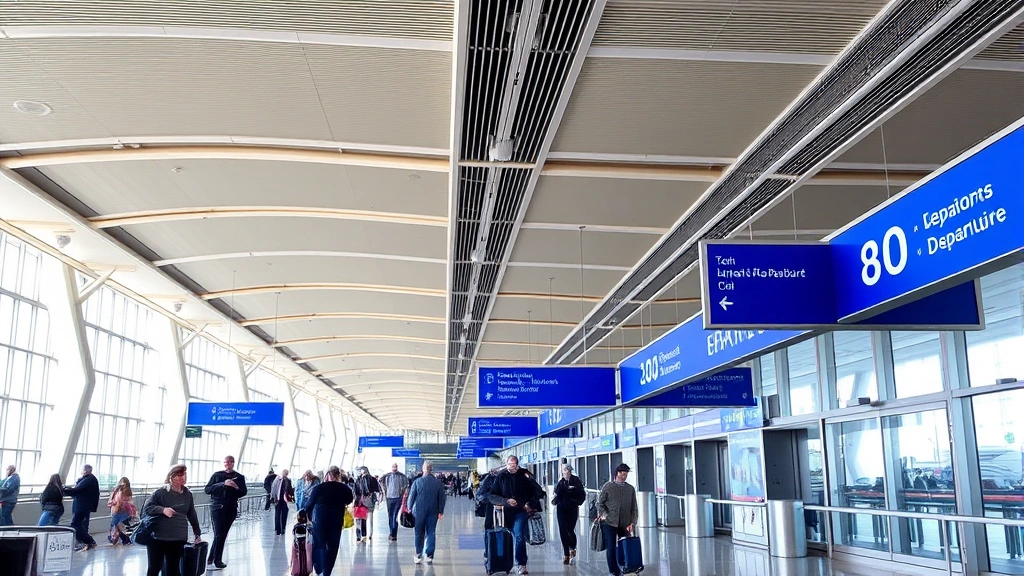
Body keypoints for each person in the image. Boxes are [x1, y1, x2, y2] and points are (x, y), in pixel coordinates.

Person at [487, 456, 544, 575]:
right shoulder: (501, 477)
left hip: (521, 512)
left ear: (517, 465)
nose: (511, 466)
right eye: (509, 464)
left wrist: (530, 504)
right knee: (505, 537)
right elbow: (492, 496)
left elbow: (538, 492)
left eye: (513, 464)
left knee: (519, 535)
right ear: (506, 464)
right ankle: (503, 562)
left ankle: (521, 564)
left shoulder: (525, 476)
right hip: (505, 513)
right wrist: (505, 501)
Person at [142, 464, 202, 576]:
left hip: (177, 538)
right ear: (171, 477)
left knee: (173, 569)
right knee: (154, 568)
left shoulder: (187, 494)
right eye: (179, 475)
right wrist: (163, 509)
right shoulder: (161, 493)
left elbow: (192, 514)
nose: (183, 477)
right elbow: (147, 508)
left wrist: (197, 533)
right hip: (158, 538)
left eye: (184, 474)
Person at [303, 466, 354, 576]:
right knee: (333, 546)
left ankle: (319, 569)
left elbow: (309, 504)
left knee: (319, 544)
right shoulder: (344, 488)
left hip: (320, 520)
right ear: (338, 475)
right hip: (336, 520)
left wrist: (308, 516)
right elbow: (349, 500)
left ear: (327, 475)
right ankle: (327, 572)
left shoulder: (319, 488)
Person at [204, 455, 247, 570]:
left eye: (230, 462)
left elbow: (243, 492)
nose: (227, 464)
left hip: (231, 508)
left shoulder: (239, 477)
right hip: (217, 507)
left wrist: (235, 487)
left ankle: (211, 557)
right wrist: (223, 484)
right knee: (219, 533)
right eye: (225, 462)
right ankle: (217, 559)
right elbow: (207, 489)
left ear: (233, 463)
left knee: (222, 534)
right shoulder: (217, 475)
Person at [597, 463, 639, 576]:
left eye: (626, 474)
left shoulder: (630, 489)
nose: (625, 476)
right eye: (623, 474)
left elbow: (634, 507)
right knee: (611, 548)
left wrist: (633, 522)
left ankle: (626, 566)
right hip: (609, 522)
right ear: (617, 473)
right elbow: (600, 504)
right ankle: (613, 571)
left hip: (625, 523)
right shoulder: (608, 487)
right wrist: (604, 514)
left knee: (625, 546)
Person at [407, 461, 446, 565]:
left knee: (419, 533)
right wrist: (441, 510)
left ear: (423, 469)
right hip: (433, 511)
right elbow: (442, 498)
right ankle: (429, 555)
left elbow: (412, 496)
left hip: (418, 511)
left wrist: (409, 508)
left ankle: (418, 555)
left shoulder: (417, 482)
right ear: (431, 469)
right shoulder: (438, 483)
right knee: (431, 532)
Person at [553, 464, 586, 564]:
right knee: (563, 530)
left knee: (569, 530)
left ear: (569, 471)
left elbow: (581, 494)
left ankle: (573, 547)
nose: (565, 472)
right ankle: (566, 554)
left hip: (572, 508)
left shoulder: (576, 480)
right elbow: (556, 492)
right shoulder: (561, 481)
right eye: (564, 470)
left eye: (566, 470)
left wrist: (576, 501)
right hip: (561, 508)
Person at [64, 464, 100, 551]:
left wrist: (64, 490)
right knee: (79, 524)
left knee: (75, 524)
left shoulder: (89, 479)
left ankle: (88, 541)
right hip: (82, 506)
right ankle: (85, 542)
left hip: (82, 506)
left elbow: (77, 490)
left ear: (85, 470)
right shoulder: (88, 480)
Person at [380, 463, 409, 541]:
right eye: (393, 467)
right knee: (390, 515)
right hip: (389, 498)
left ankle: (393, 533)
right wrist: (384, 490)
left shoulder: (401, 476)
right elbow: (380, 480)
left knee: (395, 516)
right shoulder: (387, 476)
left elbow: (406, 484)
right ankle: (392, 532)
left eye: (395, 467)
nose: (394, 468)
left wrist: (402, 493)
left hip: (398, 498)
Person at [353, 466, 381, 542]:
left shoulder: (359, 480)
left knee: (361, 519)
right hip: (367, 501)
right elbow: (377, 490)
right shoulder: (370, 479)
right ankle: (366, 535)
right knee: (365, 519)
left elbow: (355, 492)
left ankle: (362, 536)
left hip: (362, 501)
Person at [107, 477, 136, 545]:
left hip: (118, 510)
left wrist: (114, 506)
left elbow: (118, 500)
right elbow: (129, 501)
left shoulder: (119, 490)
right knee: (121, 526)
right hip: (125, 511)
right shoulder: (128, 491)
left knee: (115, 525)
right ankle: (125, 540)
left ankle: (114, 538)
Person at [270, 468, 293, 536]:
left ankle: (280, 529)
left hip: (282, 500)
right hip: (280, 499)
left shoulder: (285, 480)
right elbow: (274, 488)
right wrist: (273, 497)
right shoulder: (280, 479)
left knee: (280, 514)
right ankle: (280, 529)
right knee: (280, 514)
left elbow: (273, 488)